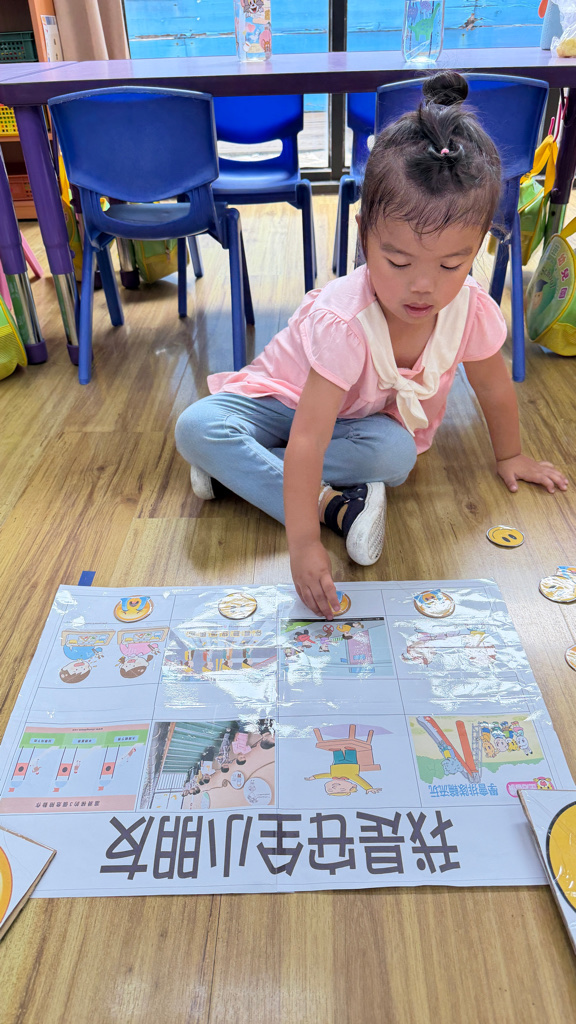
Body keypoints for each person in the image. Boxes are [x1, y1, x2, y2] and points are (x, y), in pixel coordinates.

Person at [175, 71, 568, 619]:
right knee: (196, 426)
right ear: (364, 236)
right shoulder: (346, 321)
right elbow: (307, 437)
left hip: (353, 423)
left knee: (398, 455)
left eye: (451, 264)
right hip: (280, 400)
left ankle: (237, 472)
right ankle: (330, 504)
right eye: (398, 261)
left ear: (479, 246)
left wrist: (511, 455)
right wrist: (304, 543)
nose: (422, 286)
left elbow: (495, 389)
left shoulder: (470, 309)